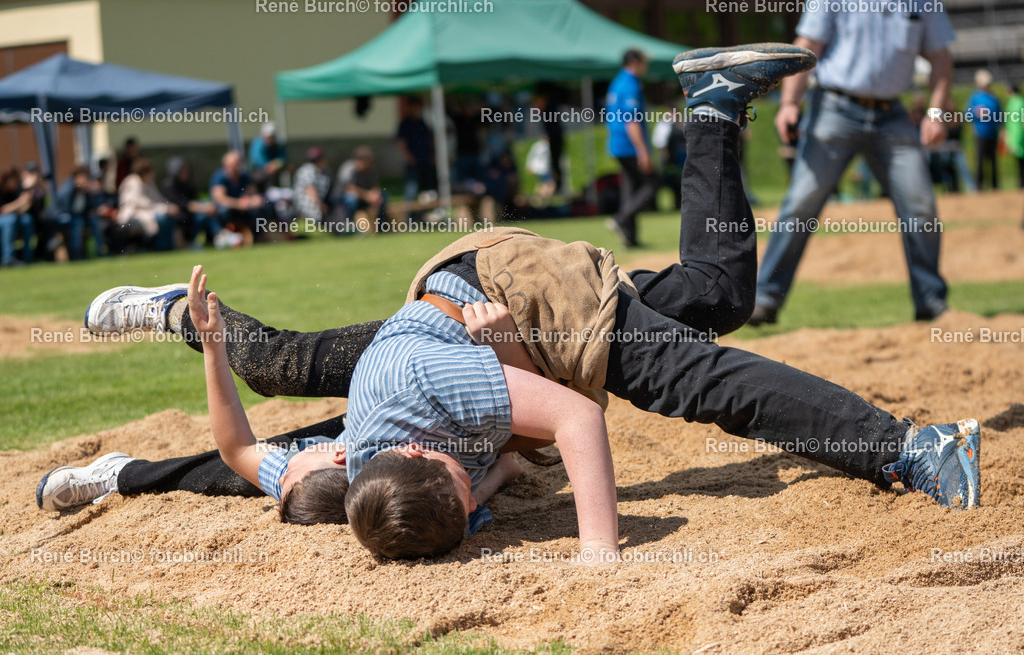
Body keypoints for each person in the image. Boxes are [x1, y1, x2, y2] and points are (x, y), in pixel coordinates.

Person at [67, 45, 980, 565]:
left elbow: (576, 417)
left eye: (469, 486)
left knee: (691, 377)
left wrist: (599, 549)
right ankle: (710, 109)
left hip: (500, 301)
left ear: (419, 450)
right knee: (717, 293)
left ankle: (906, 447)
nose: (487, 486)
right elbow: (234, 457)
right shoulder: (349, 479)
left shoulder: (427, 397)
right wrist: (119, 475)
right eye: (475, 499)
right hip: (466, 330)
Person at [37, 270, 521, 535]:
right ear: (340, 454)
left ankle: (119, 475)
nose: (279, 463)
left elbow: (236, 450)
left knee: (233, 477)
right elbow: (494, 473)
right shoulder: (427, 464)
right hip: (413, 358)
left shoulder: (324, 484)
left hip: (414, 392)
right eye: (289, 467)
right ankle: (175, 309)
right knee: (275, 367)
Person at [749, 0, 955, 326]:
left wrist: (936, 113)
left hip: (892, 115)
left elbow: (941, 57)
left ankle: (930, 300)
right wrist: (789, 104)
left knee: (920, 206)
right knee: (801, 202)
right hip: (834, 110)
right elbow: (807, 47)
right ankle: (765, 297)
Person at [605, 48, 657, 248]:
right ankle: (621, 218)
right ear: (634, 62)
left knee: (630, 187)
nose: (646, 66)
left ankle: (630, 239)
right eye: (644, 62)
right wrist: (642, 151)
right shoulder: (630, 84)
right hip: (628, 145)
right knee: (652, 183)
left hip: (617, 143)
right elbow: (631, 120)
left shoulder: (617, 81)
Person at [114, 158, 178, 252]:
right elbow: (140, 202)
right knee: (162, 218)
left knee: (169, 218)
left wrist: (170, 206)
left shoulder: (149, 182)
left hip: (148, 211)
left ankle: (168, 245)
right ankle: (160, 246)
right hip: (133, 215)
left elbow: (158, 198)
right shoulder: (132, 182)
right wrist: (165, 208)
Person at [161, 157, 222, 249]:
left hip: (191, 213)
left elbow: (194, 199)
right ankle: (190, 242)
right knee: (202, 214)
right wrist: (204, 208)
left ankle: (218, 237)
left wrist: (205, 206)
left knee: (209, 212)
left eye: (186, 170)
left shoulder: (188, 183)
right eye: (182, 170)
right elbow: (183, 204)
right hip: (179, 216)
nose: (185, 173)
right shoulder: (169, 185)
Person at [52, 165, 107, 260]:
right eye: (84, 178)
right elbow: (65, 209)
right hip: (61, 218)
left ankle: (101, 251)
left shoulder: (84, 191)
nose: (86, 180)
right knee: (78, 222)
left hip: (78, 217)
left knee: (94, 220)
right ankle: (76, 254)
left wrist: (91, 193)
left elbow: (89, 207)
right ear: (77, 177)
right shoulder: (68, 189)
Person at [210, 150, 264, 246]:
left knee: (260, 209)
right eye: (235, 164)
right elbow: (220, 198)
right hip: (227, 210)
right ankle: (224, 236)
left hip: (243, 208)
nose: (238, 166)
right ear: (227, 165)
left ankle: (258, 237)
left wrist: (255, 200)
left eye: (239, 163)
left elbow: (253, 193)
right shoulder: (219, 177)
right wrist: (239, 204)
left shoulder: (244, 176)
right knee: (224, 209)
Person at [334, 146, 386, 231]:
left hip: (364, 198)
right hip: (343, 201)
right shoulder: (348, 168)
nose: (370, 163)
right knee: (351, 198)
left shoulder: (370, 169)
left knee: (383, 196)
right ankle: (351, 226)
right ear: (360, 160)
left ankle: (381, 227)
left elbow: (375, 184)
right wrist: (367, 196)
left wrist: (376, 194)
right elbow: (348, 188)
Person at [966, 69, 1001, 192]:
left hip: (993, 132)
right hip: (980, 133)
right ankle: (979, 187)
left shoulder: (994, 98)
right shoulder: (974, 98)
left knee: (993, 161)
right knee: (980, 161)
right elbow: (968, 114)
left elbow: (999, 116)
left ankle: (995, 186)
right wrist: (976, 113)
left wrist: (1001, 130)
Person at [396, 96, 436, 201]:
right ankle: (409, 213)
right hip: (413, 161)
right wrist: (409, 157)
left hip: (426, 160)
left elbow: (429, 139)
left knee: (426, 189)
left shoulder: (422, 122)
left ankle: (424, 212)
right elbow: (401, 142)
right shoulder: (405, 123)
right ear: (411, 107)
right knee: (412, 187)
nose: (419, 109)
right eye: (417, 107)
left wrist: (432, 155)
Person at [0, 166, 35, 266]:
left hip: (15, 217)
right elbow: (3, 210)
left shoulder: (17, 189)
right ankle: (8, 258)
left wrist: (29, 198)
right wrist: (20, 201)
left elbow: (20, 211)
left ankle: (28, 257)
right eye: (12, 181)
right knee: (10, 220)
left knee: (27, 220)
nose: (15, 184)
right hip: (4, 219)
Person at [292, 147, 332, 223]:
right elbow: (310, 190)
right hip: (307, 208)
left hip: (318, 204)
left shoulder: (323, 171)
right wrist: (321, 205)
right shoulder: (308, 170)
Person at [247, 122, 287, 186]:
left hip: (273, 170)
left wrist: (277, 164)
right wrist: (268, 166)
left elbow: (283, 158)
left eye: (272, 137)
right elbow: (256, 158)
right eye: (268, 137)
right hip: (257, 171)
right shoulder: (257, 143)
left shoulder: (278, 144)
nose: (270, 139)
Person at [1004, 83, 1024, 189]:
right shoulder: (1018, 101)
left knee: (1020, 162)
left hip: (1017, 135)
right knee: (1020, 161)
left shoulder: (1016, 102)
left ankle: (1021, 183)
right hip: (1017, 134)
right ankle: (1021, 183)